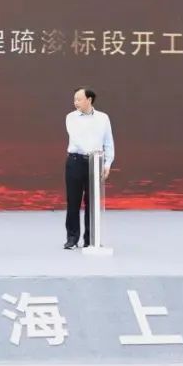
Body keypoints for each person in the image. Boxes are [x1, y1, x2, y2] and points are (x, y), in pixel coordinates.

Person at [64, 87, 115, 249]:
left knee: (92, 203)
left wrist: (107, 163)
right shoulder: (71, 117)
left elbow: (108, 142)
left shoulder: (103, 118)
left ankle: (90, 239)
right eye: (74, 99)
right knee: (73, 201)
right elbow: (77, 139)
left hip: (95, 163)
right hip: (76, 161)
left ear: (89, 100)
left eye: (79, 99)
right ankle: (72, 238)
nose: (75, 102)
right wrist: (92, 152)